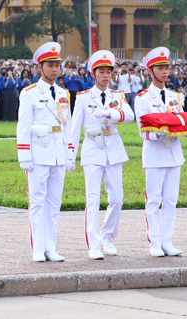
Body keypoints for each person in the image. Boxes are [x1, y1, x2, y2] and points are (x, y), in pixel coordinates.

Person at [67, 50, 134, 260]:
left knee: (117, 198)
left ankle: (107, 236)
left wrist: (110, 113)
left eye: (109, 71)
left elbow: (130, 115)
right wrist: (71, 155)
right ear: (93, 74)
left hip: (113, 149)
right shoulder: (83, 98)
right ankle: (93, 244)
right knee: (93, 199)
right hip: (93, 148)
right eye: (101, 72)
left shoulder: (118, 96)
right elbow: (74, 128)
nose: (106, 75)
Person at [17, 43, 72, 262]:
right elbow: (23, 126)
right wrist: (25, 156)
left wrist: (69, 154)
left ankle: (51, 247)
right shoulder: (29, 93)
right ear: (40, 68)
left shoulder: (63, 93)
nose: (55, 69)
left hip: (58, 154)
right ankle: (38, 248)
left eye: (57, 65)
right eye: (50, 65)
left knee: (54, 203)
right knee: (37, 202)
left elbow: (66, 126)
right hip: (39, 154)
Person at [135, 46, 185, 257]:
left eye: (167, 68)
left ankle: (167, 241)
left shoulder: (175, 96)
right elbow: (142, 130)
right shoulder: (143, 98)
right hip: (155, 154)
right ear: (150, 70)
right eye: (161, 68)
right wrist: (160, 131)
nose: (165, 72)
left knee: (171, 200)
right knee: (153, 201)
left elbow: (182, 120)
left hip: (174, 153)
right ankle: (154, 242)